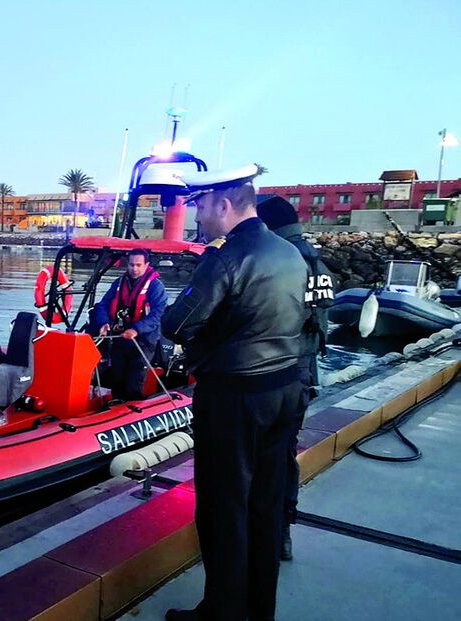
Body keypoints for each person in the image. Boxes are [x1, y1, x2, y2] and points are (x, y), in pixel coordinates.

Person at [161, 165, 308, 621]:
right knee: (264, 507)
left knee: (224, 508)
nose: (198, 215)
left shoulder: (224, 256)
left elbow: (177, 324)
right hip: (285, 388)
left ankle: (221, 612)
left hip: (235, 397)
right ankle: (259, 607)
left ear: (223, 205)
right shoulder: (289, 252)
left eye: (201, 205)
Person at [257, 196, 335, 561]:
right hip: (303, 372)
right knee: (284, 451)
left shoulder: (283, 261)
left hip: (277, 372)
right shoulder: (317, 262)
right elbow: (319, 321)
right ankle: (282, 527)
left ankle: (268, 530)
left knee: (265, 452)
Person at [93, 248, 167, 400]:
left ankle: (133, 405)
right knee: (117, 377)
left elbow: (157, 314)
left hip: (143, 341)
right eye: (132, 265)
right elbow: (103, 305)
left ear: (146, 265)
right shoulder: (119, 283)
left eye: (138, 265)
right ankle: (115, 405)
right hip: (120, 336)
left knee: (134, 380)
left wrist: (136, 329)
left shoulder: (156, 287)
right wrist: (104, 323)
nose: (134, 269)